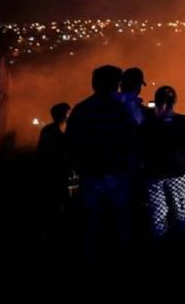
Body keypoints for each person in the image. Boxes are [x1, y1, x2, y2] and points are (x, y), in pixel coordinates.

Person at [66, 65, 139, 256]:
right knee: (121, 224)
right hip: (117, 176)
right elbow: (134, 141)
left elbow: (71, 143)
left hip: (90, 175)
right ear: (117, 84)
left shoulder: (81, 110)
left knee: (91, 225)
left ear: (94, 84)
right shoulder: (124, 111)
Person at [140, 85, 185, 238]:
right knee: (183, 212)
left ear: (158, 102)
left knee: (158, 215)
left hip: (155, 176)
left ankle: (161, 247)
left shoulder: (149, 124)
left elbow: (141, 148)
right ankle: (184, 242)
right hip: (180, 174)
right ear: (174, 102)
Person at [36, 102, 74, 234]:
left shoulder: (69, 130)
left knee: (64, 199)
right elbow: (42, 153)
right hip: (52, 172)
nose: (71, 114)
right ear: (63, 114)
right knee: (54, 200)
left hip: (64, 172)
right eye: (69, 112)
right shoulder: (49, 131)